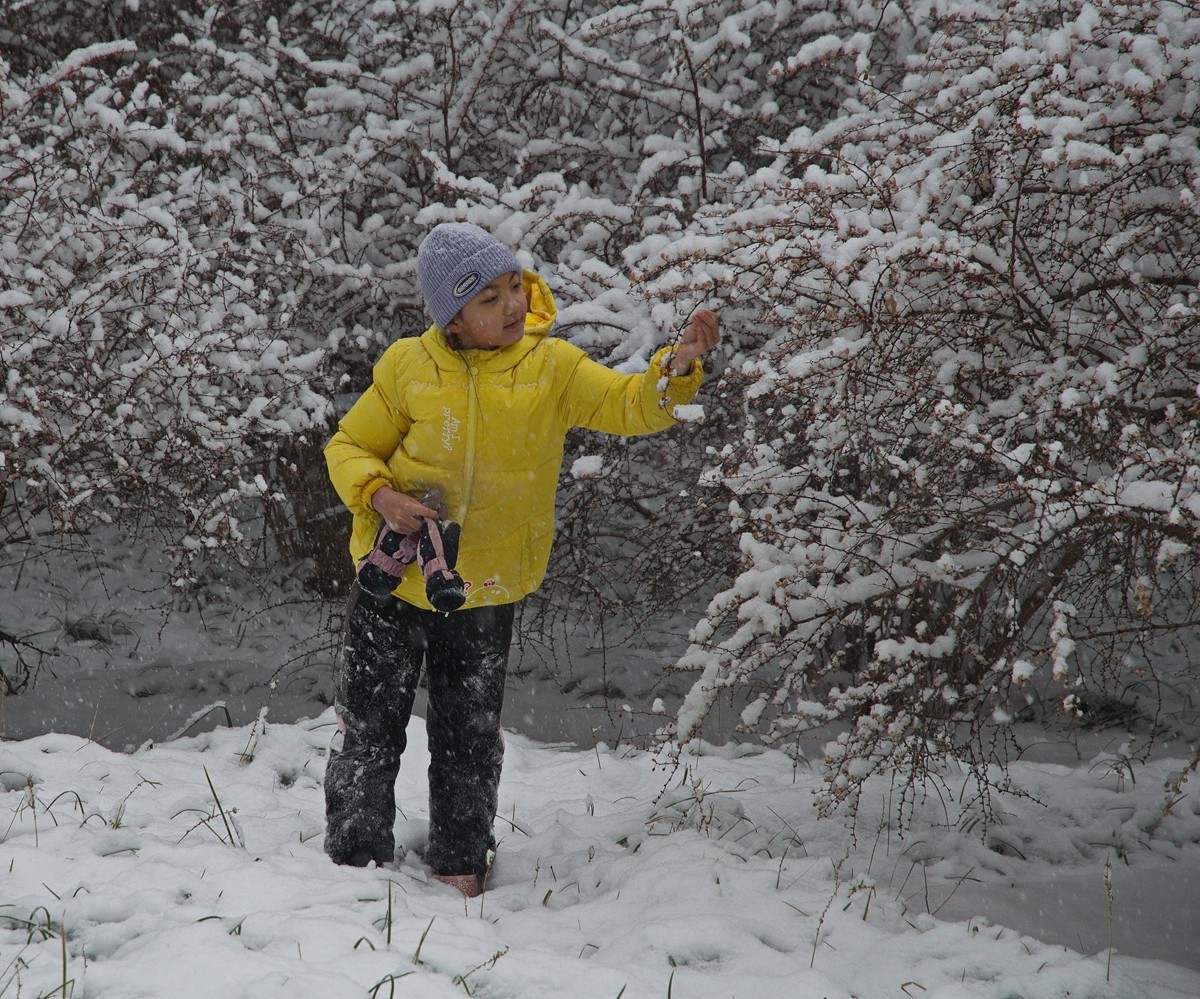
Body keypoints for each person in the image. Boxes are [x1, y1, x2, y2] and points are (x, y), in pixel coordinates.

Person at [322, 221, 720, 897]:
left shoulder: (551, 367)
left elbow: (625, 404)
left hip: (482, 587)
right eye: (488, 299)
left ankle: (459, 863)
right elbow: (347, 446)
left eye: (514, 287)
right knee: (370, 726)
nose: (511, 306)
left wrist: (673, 373)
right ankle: (356, 864)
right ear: (452, 319)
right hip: (392, 580)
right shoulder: (408, 368)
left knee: (468, 736)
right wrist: (382, 495)